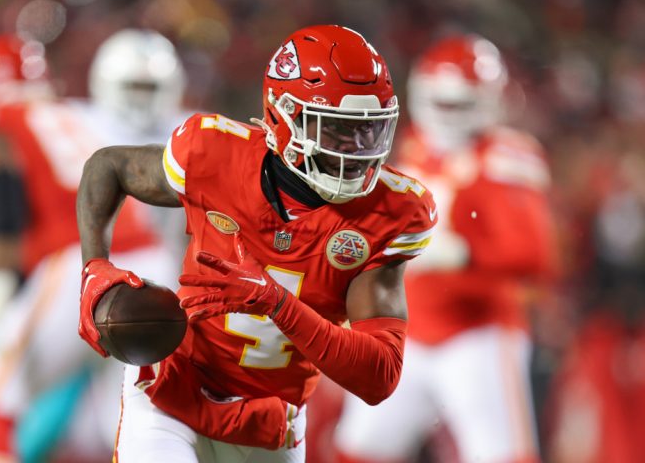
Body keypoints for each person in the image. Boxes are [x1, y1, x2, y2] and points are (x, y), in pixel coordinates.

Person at [76, 24, 437, 463]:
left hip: (269, 422)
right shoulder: (213, 153)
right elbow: (107, 166)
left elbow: (377, 377)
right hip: (174, 391)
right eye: (337, 130)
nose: (357, 151)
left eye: (369, 130)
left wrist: (278, 304)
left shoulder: (390, 213)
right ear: (283, 116)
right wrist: (94, 267)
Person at [0, 30, 188, 462]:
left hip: (86, 263)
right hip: (153, 263)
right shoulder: (69, 117)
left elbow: (5, 198)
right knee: (118, 426)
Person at [333, 34, 558, 463]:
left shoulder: (507, 157)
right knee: (359, 449)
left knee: (501, 455)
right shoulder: (412, 143)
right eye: (440, 102)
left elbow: (535, 257)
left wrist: (462, 255)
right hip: (408, 331)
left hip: (478, 336)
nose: (446, 116)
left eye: (458, 104)